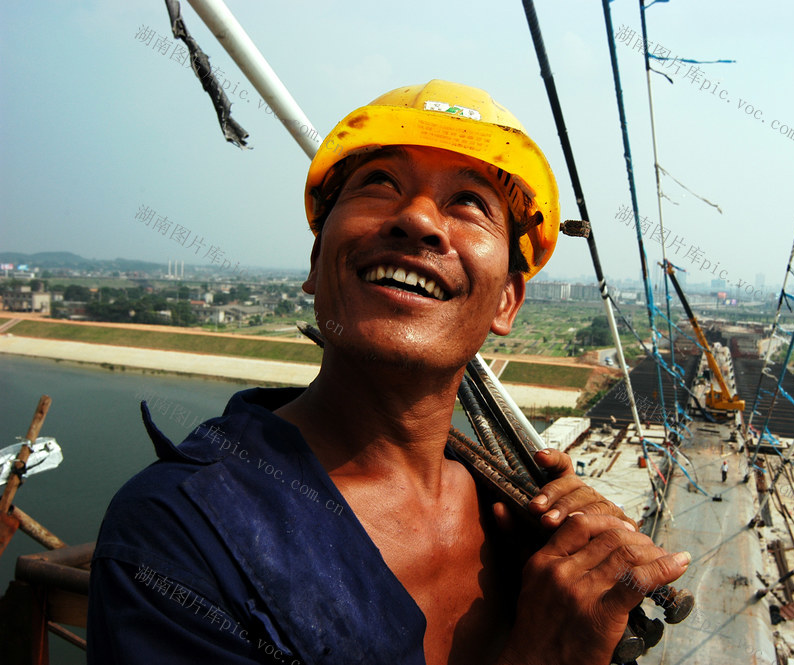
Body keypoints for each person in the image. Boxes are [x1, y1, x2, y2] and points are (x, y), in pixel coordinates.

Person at [87, 80, 690, 665]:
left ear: (507, 301)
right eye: (380, 184)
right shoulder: (181, 532)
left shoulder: (515, 525)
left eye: (469, 203)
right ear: (317, 261)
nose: (419, 221)